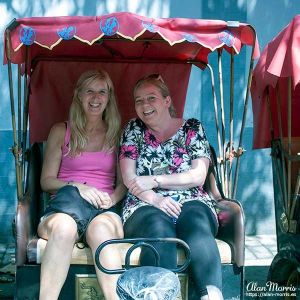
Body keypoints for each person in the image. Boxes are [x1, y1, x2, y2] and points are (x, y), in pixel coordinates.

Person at [119, 74, 223, 300]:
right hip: (145, 201)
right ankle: (156, 295)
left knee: (195, 224)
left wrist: (156, 180)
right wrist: (156, 199)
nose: (144, 105)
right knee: (158, 229)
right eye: (139, 100)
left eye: (151, 98)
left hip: (191, 199)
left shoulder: (192, 128)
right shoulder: (133, 130)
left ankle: (211, 295)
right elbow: (129, 177)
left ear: (167, 101)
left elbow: (198, 175)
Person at [38, 69, 126, 300]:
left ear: (109, 98)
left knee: (101, 230)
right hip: (66, 207)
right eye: (89, 91)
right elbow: (46, 181)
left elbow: (124, 182)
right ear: (78, 95)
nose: (95, 98)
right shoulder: (61, 130)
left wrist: (112, 199)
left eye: (102, 92)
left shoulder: (117, 134)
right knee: (65, 228)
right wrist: (79, 187)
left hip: (103, 209)